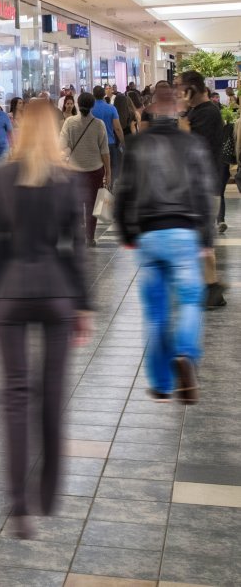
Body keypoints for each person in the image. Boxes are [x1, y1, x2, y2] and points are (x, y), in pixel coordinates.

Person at [0, 101, 92, 538]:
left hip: (10, 293)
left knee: (15, 398)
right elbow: (74, 247)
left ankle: (19, 505)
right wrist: (83, 304)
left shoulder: (3, 178)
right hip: (57, 294)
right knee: (52, 395)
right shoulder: (67, 182)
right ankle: (48, 493)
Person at [115, 81, 214, 403]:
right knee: (188, 301)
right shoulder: (192, 145)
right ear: (178, 109)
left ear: (151, 109)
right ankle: (185, 354)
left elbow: (124, 192)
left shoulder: (137, 145)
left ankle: (160, 383)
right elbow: (202, 194)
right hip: (184, 234)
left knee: (156, 314)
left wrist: (128, 235)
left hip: (149, 236)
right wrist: (206, 240)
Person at [178, 70, 226, 307]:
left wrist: (182, 113)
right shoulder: (197, 111)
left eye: (182, 87)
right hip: (197, 184)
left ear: (193, 88)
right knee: (201, 239)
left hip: (205, 185)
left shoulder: (208, 113)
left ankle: (212, 287)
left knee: (202, 239)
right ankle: (210, 287)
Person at [61, 93, 110, 246]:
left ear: (77, 103)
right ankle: (90, 237)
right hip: (95, 170)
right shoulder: (99, 124)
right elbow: (104, 151)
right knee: (92, 205)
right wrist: (108, 172)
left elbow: (62, 146)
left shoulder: (69, 122)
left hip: (73, 171)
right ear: (92, 105)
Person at [92, 85, 125, 185]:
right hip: (110, 142)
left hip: (95, 144)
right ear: (104, 95)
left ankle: (99, 188)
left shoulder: (90, 109)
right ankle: (110, 189)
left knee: (97, 168)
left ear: (93, 95)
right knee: (112, 167)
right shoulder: (111, 108)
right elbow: (118, 128)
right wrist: (122, 141)